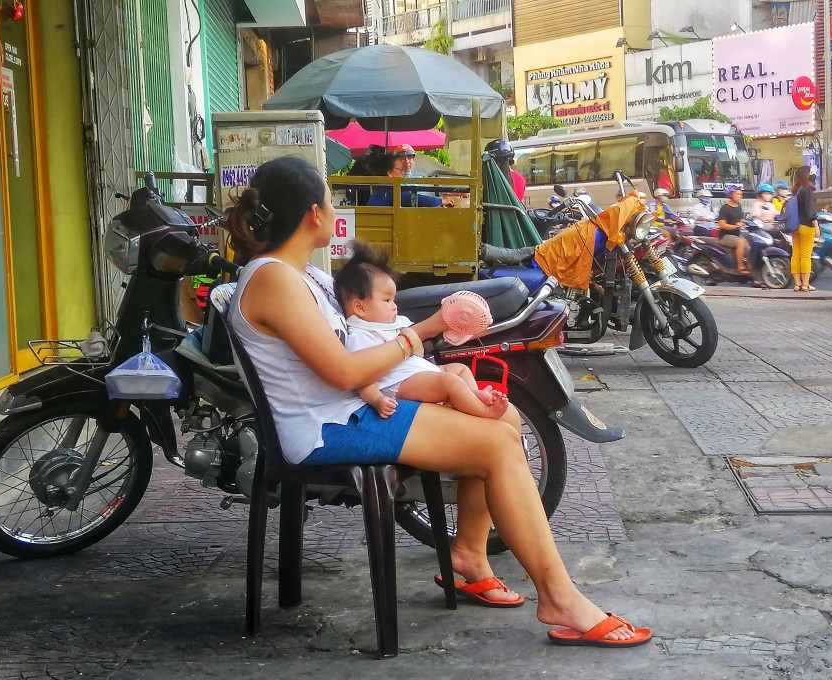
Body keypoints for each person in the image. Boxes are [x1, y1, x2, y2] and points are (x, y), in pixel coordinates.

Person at [224, 155, 651, 647]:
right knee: (496, 444)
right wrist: (421, 335)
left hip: (355, 408)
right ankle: (558, 595)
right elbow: (342, 371)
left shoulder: (309, 277)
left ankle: (469, 554)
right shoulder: (273, 278)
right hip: (326, 428)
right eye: (330, 198)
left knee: (504, 419)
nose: (334, 205)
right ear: (314, 214)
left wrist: (430, 365)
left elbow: (359, 345)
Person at [334, 241, 508, 421]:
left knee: (459, 369)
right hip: (400, 384)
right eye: (386, 301)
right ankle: (483, 412)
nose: (394, 307)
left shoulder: (390, 324)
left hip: (420, 373)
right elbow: (362, 378)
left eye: (393, 300)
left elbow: (417, 350)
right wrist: (377, 399)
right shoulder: (360, 335)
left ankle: (474, 394)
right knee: (450, 382)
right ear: (359, 307)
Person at [368, 153, 455, 208]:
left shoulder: (382, 188)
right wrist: (441, 201)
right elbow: (414, 199)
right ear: (390, 173)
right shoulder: (389, 189)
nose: (403, 173)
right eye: (401, 170)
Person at [789, 166, 819, 292]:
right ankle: (805, 284)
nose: (813, 174)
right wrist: (816, 226)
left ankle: (797, 284)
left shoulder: (796, 190)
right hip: (807, 226)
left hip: (795, 226)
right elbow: (811, 212)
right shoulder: (808, 190)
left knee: (795, 255)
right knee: (806, 255)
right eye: (811, 172)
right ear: (807, 175)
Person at [717, 186, 750, 274]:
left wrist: (747, 222)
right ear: (731, 195)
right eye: (738, 194)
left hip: (736, 234)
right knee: (741, 242)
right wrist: (735, 226)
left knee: (750, 243)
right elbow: (722, 224)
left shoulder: (738, 206)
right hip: (725, 236)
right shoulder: (725, 208)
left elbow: (741, 219)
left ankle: (750, 266)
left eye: (741, 194)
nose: (740, 196)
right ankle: (740, 267)